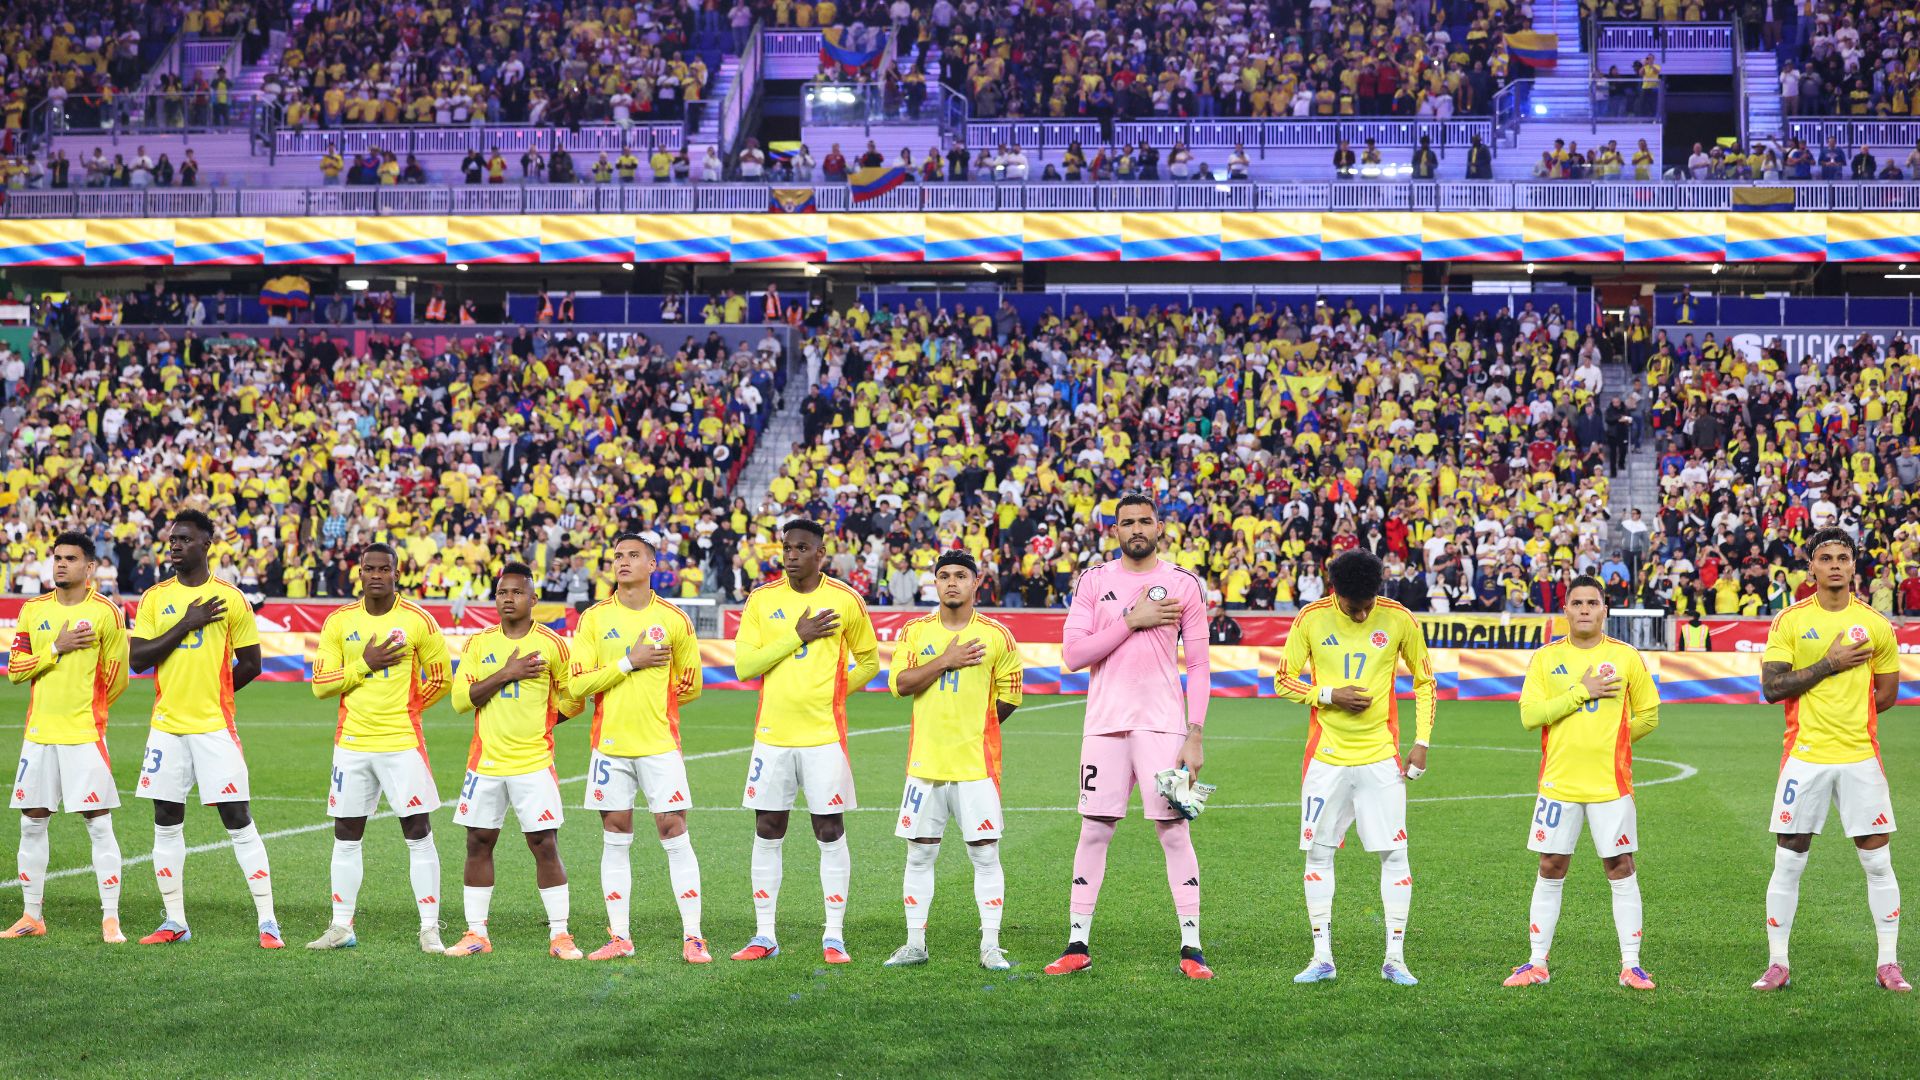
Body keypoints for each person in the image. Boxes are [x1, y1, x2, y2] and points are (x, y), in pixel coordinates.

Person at [1045, 493, 1214, 979]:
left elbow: (1200, 666)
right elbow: (1074, 655)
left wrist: (1195, 733)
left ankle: (1191, 946)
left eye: (1145, 521)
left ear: (1159, 526)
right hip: (1104, 725)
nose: (1136, 529)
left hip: (1164, 725)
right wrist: (1130, 621)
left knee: (1174, 829)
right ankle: (1077, 942)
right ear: (1113, 530)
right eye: (1127, 523)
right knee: (1094, 828)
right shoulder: (1093, 581)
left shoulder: (1184, 584)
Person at [1272, 549, 1436, 986]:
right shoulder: (1311, 617)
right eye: (1352, 606)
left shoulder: (1399, 617)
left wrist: (1421, 742)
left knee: (1395, 853)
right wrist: (1328, 694)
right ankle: (1321, 957)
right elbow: (1282, 679)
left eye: (1368, 605)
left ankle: (1395, 959)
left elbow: (1425, 681)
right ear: (1336, 593)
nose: (1362, 613)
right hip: (1326, 759)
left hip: (1380, 758)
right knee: (1318, 852)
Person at [1753, 528, 1907, 992]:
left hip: (1860, 756)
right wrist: (1830, 664)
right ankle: (1778, 962)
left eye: (1843, 557)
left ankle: (1888, 962)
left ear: (1853, 565)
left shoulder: (1877, 624)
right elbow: (1771, 688)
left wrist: (1849, 714)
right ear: (1812, 567)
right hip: (1805, 757)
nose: (1835, 564)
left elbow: (1887, 694)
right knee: (1789, 859)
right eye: (1826, 557)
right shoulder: (1790, 621)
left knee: (1877, 862)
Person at [729, 519, 878, 964]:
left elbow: (869, 661)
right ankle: (764, 934)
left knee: (829, 831)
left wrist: (833, 694)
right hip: (771, 738)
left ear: (821, 553)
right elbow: (744, 667)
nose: (791, 555)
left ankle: (834, 935)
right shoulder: (762, 600)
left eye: (801, 548)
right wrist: (797, 634)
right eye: (786, 547)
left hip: (823, 738)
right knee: (767, 829)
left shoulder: (845, 599)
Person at [126, 510, 277, 947]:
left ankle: (268, 921)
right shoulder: (156, 598)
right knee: (166, 820)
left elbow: (251, 664)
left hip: (214, 727)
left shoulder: (231, 599)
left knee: (237, 818)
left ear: (206, 544)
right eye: (172, 539)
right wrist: (186, 623)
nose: (175, 545)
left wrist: (218, 693)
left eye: (185, 539)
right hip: (167, 727)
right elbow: (139, 658)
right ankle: (175, 921)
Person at [1505, 575, 1661, 990]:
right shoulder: (1545, 658)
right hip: (1558, 784)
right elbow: (1529, 716)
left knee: (1620, 867)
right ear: (1566, 610)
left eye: (1593, 602)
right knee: (1550, 866)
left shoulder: (1627, 657)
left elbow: (1649, 715)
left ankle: (1631, 965)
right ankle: (1537, 963)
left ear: (1605, 609)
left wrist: (1614, 742)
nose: (1586, 609)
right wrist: (1580, 692)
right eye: (1578, 603)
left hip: (1611, 784)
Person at [567, 532, 709, 963]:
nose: (623, 562)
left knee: (674, 833)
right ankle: (620, 937)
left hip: (659, 745)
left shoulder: (674, 619)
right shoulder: (593, 619)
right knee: (614, 837)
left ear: (652, 565)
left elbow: (692, 684)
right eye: (617, 557)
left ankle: (693, 937)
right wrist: (630, 662)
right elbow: (577, 684)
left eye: (633, 556)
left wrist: (652, 700)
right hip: (609, 747)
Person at [306, 544, 452, 954]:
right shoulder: (339, 622)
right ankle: (340, 927)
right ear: (359, 573)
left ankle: (429, 928)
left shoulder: (418, 620)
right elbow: (320, 684)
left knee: (418, 831)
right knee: (346, 835)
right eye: (368, 569)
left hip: (401, 743)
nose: (375, 575)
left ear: (396, 573)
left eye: (383, 569)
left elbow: (441, 679)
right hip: (351, 745)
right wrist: (364, 664)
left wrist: (406, 709)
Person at [881, 551, 1023, 971]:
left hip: (975, 767)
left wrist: (977, 730)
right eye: (944, 576)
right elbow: (900, 684)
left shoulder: (997, 635)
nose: (951, 583)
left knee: (985, 855)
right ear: (935, 584)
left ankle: (991, 946)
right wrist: (945, 660)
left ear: (977, 582)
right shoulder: (914, 631)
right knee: (919, 855)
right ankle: (914, 944)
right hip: (924, 766)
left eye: (961, 575)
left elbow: (1011, 696)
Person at [447, 562, 586, 959]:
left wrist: (546, 719)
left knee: (544, 844)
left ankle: (560, 935)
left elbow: (573, 698)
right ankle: (476, 934)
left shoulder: (553, 644)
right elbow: (461, 700)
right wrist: (507, 673)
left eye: (517, 592)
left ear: (533, 599)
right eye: (502, 592)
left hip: (533, 763)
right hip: (485, 762)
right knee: (478, 842)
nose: (509, 599)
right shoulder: (478, 644)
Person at [3, 532, 129, 942]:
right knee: (32, 823)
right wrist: (55, 649)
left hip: (83, 735)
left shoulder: (107, 612)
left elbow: (117, 678)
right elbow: (16, 670)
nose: (60, 565)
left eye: (70, 559)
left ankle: (110, 917)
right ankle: (31, 916)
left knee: (97, 822)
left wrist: (86, 710)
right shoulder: (33, 609)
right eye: (57, 558)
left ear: (89, 567)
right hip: (39, 735)